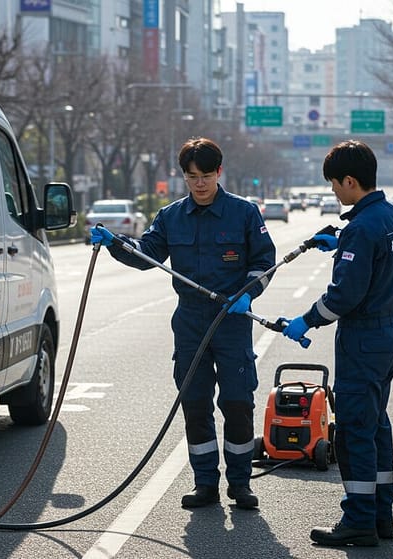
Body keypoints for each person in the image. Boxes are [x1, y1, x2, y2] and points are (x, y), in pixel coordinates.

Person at [91, 137, 276, 510]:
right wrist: (117, 243)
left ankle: (240, 483)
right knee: (194, 403)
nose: (200, 184)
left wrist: (249, 294)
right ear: (184, 177)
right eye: (193, 177)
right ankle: (205, 482)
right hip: (190, 322)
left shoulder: (244, 213)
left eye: (206, 175)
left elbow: (264, 261)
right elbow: (148, 256)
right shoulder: (171, 216)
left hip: (231, 319)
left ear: (219, 172)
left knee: (237, 403)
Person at [279, 140, 393, 546]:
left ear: (351, 181)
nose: (333, 191)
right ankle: (379, 516)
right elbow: (376, 261)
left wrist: (305, 321)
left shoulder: (361, 227)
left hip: (363, 340)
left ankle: (357, 521)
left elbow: (343, 298)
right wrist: (342, 245)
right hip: (388, 336)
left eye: (335, 184)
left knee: (354, 432)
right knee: (375, 428)